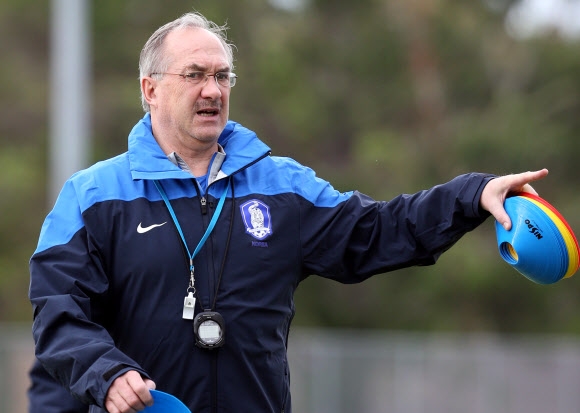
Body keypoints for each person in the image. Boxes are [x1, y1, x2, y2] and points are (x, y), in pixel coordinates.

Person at [28, 11, 549, 413]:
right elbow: (58, 310)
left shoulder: (282, 185)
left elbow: (376, 232)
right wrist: (107, 373)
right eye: (194, 75)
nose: (213, 90)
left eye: (222, 76)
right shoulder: (92, 194)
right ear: (151, 90)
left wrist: (471, 194)